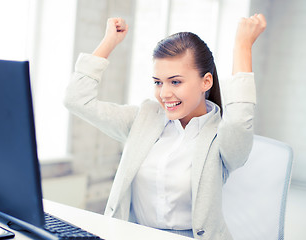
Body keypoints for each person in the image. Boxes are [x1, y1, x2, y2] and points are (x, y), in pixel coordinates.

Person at [64, 14, 266, 240]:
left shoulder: (222, 137)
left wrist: (242, 46)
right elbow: (76, 100)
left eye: (176, 81)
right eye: (158, 82)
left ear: (206, 82)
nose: (164, 93)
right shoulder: (145, 118)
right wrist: (109, 41)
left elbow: (239, 120)